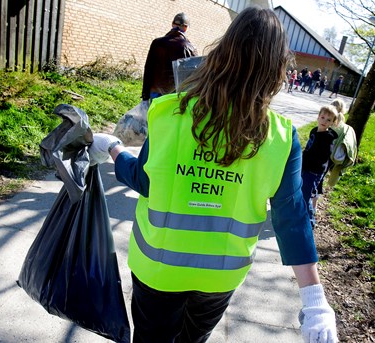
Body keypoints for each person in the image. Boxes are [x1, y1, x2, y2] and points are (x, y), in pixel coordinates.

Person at [89, 7, 338, 343]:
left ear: (223, 51)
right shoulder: (281, 138)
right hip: (220, 277)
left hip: (159, 271)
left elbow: (144, 181)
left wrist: (115, 148)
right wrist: (313, 298)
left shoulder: (167, 114)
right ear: (278, 68)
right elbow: (291, 215)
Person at [141, 12, 198, 103]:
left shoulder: (157, 43)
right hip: (174, 96)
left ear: (172, 24)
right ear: (186, 28)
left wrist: (145, 96)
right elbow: (193, 76)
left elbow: (148, 69)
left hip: (155, 92)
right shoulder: (190, 47)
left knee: (154, 116)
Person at [301, 105, 339, 228]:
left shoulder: (327, 139)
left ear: (333, 123)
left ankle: (310, 222)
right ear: (318, 117)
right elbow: (309, 147)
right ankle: (300, 215)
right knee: (301, 193)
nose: (324, 121)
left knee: (306, 196)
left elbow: (323, 158)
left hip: (314, 171)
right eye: (322, 117)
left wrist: (307, 160)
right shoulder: (314, 131)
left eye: (328, 120)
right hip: (305, 167)